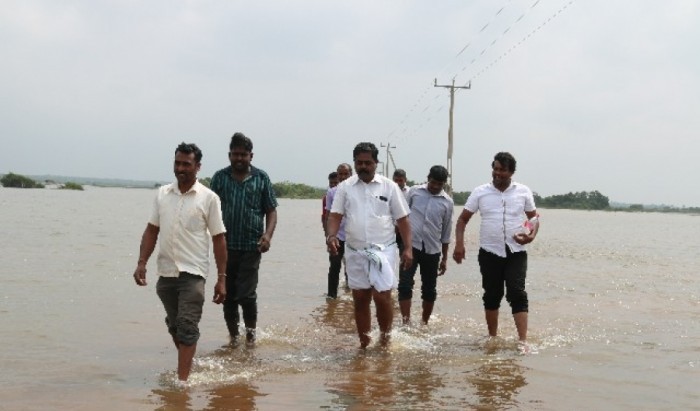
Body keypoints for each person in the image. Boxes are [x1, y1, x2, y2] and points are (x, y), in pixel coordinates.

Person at [133, 142, 227, 381]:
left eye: (187, 164)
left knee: (186, 325)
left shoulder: (209, 198)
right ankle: (188, 364)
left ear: (198, 167)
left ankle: (182, 383)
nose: (181, 168)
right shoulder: (163, 194)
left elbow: (218, 239)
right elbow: (152, 230)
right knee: (175, 326)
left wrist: (221, 279)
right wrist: (141, 262)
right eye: (177, 162)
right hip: (166, 273)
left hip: (193, 273)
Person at [326, 142, 413, 348]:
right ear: (355, 163)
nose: (363, 167)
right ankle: (364, 344)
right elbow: (335, 215)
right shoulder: (345, 188)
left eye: (368, 163)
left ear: (376, 163)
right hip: (355, 251)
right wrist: (331, 236)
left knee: (382, 297)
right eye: (359, 163)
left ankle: (384, 340)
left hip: (384, 250)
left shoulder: (389, 186)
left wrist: (408, 248)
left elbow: (403, 220)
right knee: (361, 298)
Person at [452, 152, 539, 347]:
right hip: (489, 252)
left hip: (516, 251)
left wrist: (530, 236)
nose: (497, 173)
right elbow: (462, 219)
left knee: (517, 292)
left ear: (511, 172)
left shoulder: (523, 191)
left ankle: (523, 341)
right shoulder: (480, 192)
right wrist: (459, 244)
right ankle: (492, 337)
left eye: (502, 170)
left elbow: (534, 219)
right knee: (492, 294)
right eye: (495, 168)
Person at [210, 132, 278, 347]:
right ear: (229, 155)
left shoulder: (261, 178)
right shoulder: (220, 178)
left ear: (251, 156)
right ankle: (233, 338)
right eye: (235, 154)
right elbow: (210, 211)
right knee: (227, 295)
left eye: (243, 155)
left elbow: (271, 211)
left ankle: (250, 337)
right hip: (225, 246)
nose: (239, 158)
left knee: (247, 295)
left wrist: (267, 236)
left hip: (252, 246)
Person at [398, 165, 454, 325]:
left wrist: (444, 258)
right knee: (405, 284)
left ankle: (424, 322)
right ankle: (406, 322)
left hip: (432, 250)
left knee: (429, 290)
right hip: (410, 247)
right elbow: (403, 216)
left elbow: (446, 231)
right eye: (433, 182)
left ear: (444, 184)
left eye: (440, 184)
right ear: (428, 178)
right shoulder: (414, 192)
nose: (435, 187)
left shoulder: (447, 202)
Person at [323, 163, 353, 299]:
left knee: (353, 268)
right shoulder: (332, 192)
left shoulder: (358, 190)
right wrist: (329, 236)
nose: (343, 176)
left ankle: (352, 294)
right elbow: (327, 215)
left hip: (354, 237)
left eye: (345, 174)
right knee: (334, 266)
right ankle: (331, 298)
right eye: (340, 174)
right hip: (337, 236)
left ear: (351, 174)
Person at [392, 169, 410, 255]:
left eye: (400, 180)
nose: (398, 183)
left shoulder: (410, 193)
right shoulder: (388, 191)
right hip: (390, 231)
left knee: (404, 255)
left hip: (403, 230)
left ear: (405, 180)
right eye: (396, 180)